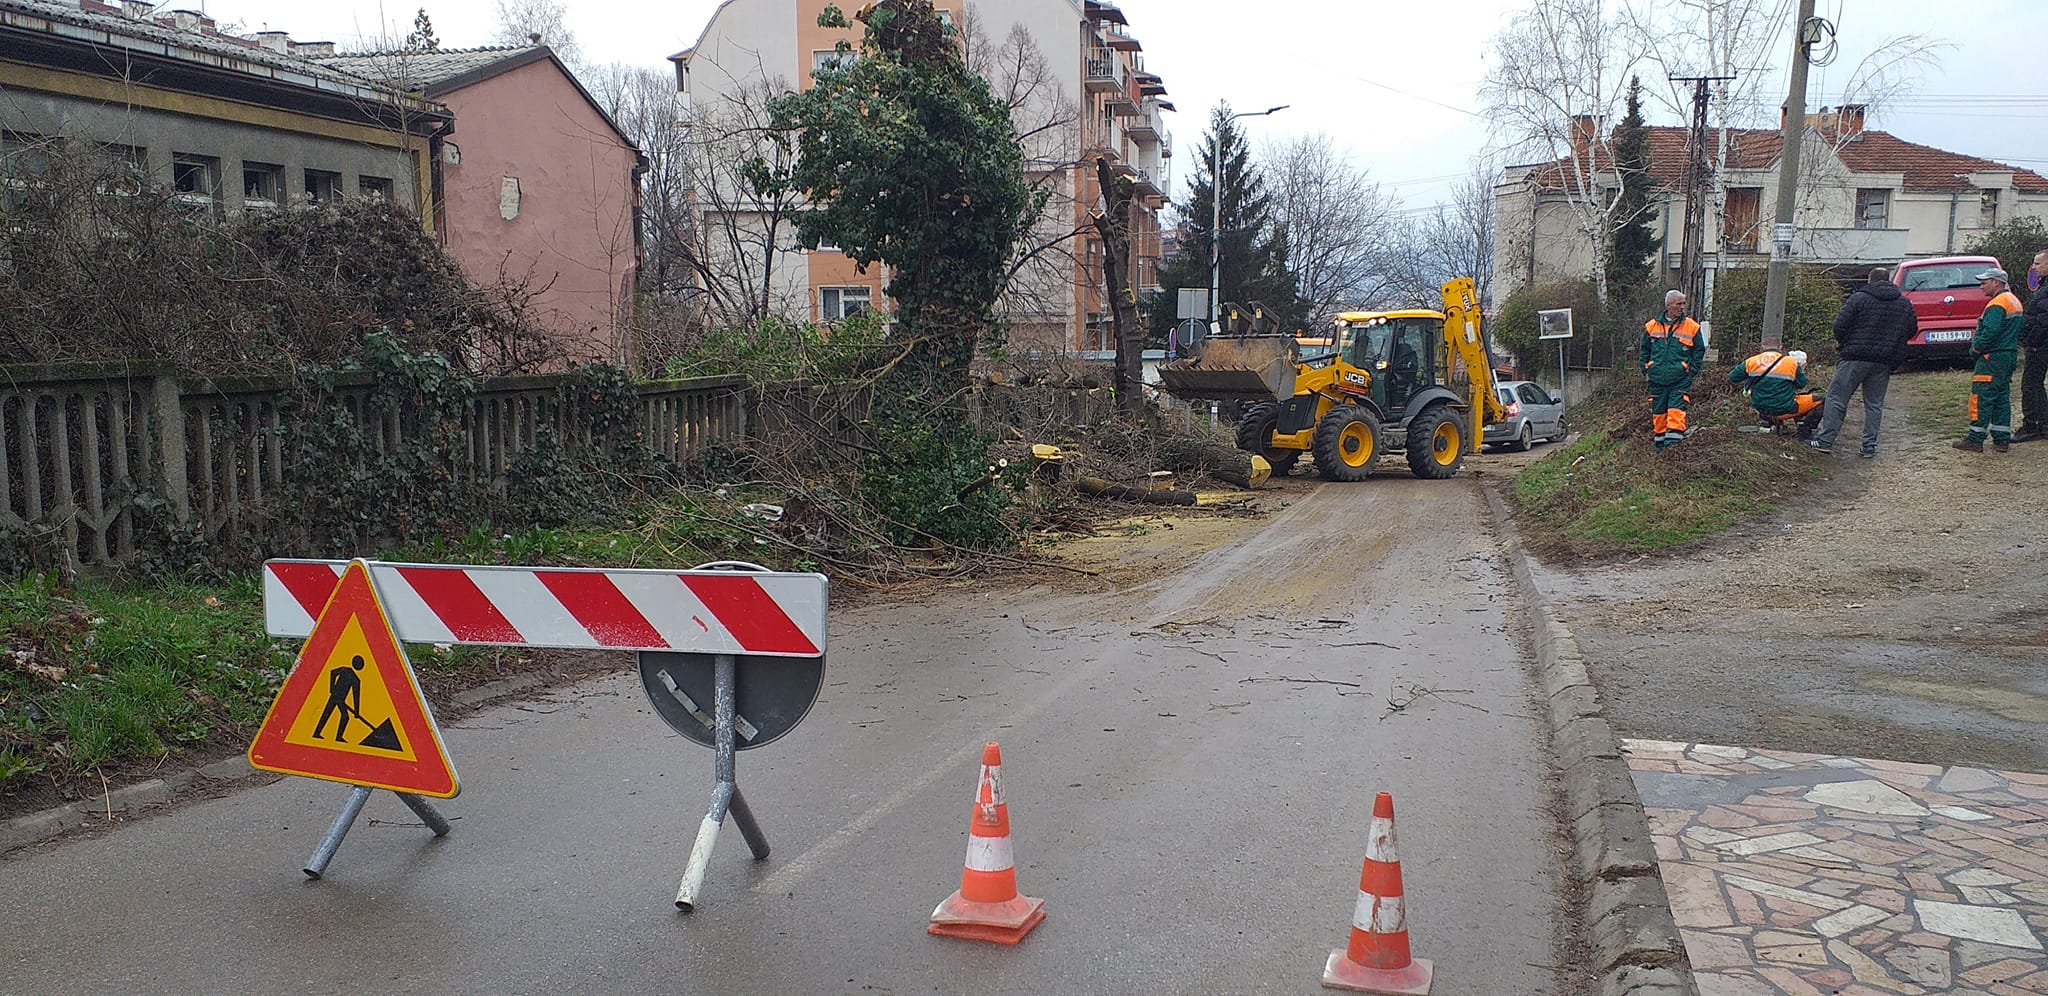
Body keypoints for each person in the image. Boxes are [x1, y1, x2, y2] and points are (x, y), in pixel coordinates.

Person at [1809, 266, 1918, 456]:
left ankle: (1825, 440)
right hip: (1883, 361)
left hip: (1854, 356)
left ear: (1870, 280)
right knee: (1874, 404)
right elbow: (1911, 330)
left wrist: (1846, 344)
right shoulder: (1904, 303)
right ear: (1889, 281)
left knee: (1837, 398)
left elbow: (1839, 325)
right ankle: (1869, 446)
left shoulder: (1859, 298)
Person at [1955, 267, 2026, 452]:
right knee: (2001, 397)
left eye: (1984, 283)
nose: (1981, 287)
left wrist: (1976, 349)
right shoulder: (2014, 301)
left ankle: (1975, 438)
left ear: (1996, 282)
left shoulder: (1997, 303)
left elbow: (1990, 331)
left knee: (1982, 396)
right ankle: (2002, 439)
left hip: (1992, 357)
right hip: (2008, 356)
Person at [1641, 289, 1704, 450]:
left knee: (1676, 410)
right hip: (1656, 378)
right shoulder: (1651, 326)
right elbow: (1644, 350)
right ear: (1668, 305)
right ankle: (1660, 448)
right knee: (1659, 413)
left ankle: (1673, 447)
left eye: (1684, 303)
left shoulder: (1692, 327)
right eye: (1679, 304)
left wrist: (1690, 372)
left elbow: (1699, 351)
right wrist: (1646, 369)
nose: (1682, 307)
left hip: (1680, 378)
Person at [1731, 348, 1822, 437]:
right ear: (1780, 347)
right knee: (1822, 400)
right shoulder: (1791, 363)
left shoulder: (1752, 361)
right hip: (1784, 409)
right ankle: (1804, 430)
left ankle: (1768, 421)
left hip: (1761, 407)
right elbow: (1802, 384)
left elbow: (1733, 377)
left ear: (1763, 346)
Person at [2014, 250, 2048, 442]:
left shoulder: (2045, 290)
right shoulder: (2043, 287)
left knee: (2030, 385)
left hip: (2040, 346)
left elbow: (2043, 320)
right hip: (2041, 343)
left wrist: (2031, 341)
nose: (2033, 268)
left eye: (2037, 264)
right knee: (2037, 385)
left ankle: (2031, 426)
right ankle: (2044, 424)